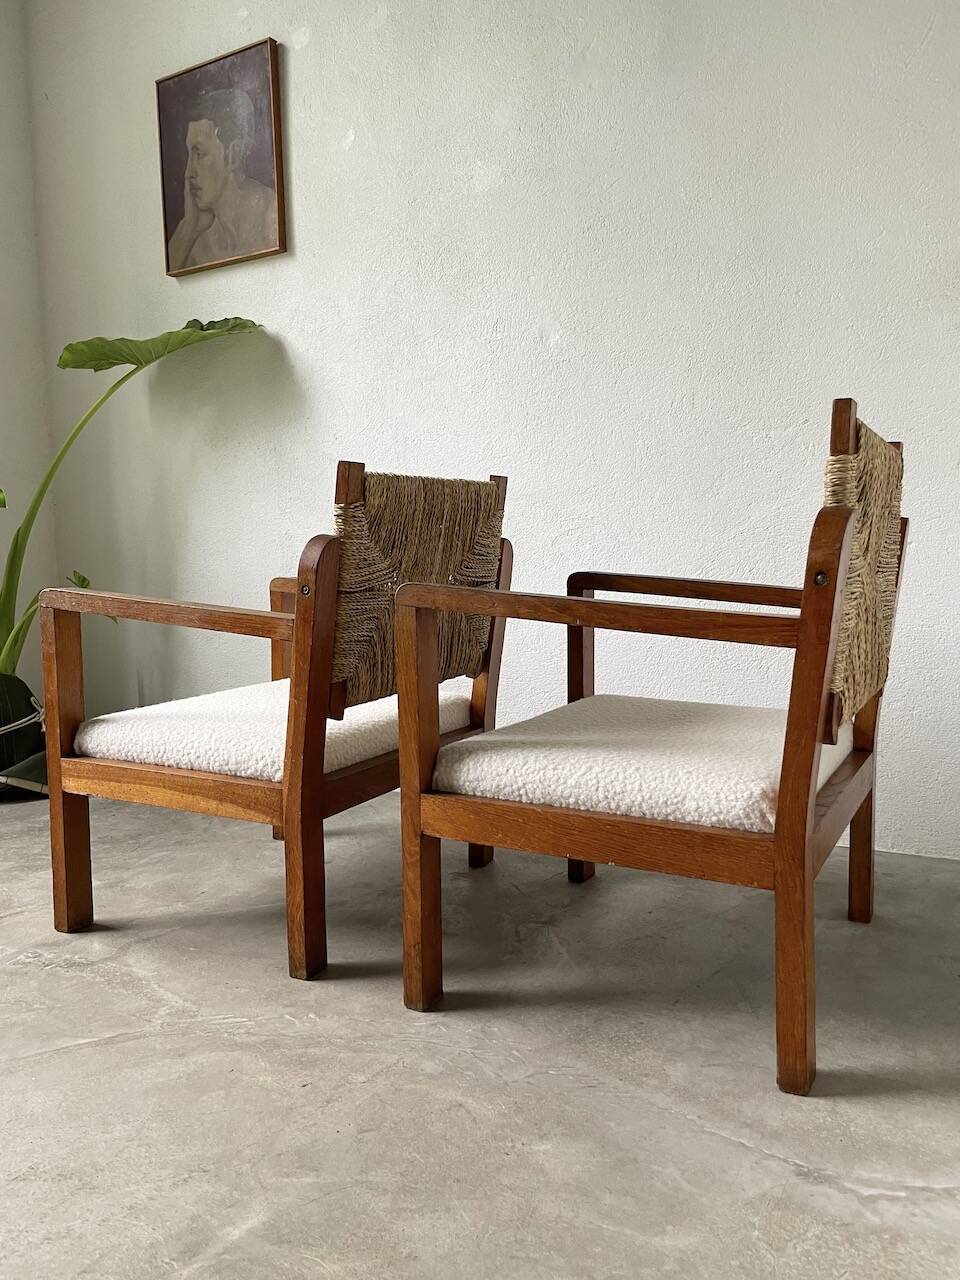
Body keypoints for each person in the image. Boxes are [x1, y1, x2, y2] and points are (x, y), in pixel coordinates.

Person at [167, 88, 278, 271]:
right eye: (189, 155)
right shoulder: (200, 245)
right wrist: (188, 227)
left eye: (199, 154)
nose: (188, 172)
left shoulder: (272, 216)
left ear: (233, 154)